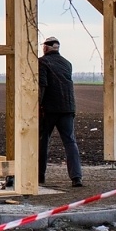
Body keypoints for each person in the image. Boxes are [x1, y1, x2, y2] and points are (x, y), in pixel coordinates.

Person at [38, 36, 83, 187]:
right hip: (68, 108)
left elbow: (42, 85)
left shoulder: (42, 62)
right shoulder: (67, 63)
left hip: (49, 109)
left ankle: (40, 175)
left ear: (46, 47)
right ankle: (76, 177)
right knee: (70, 142)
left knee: (43, 141)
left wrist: (38, 105)